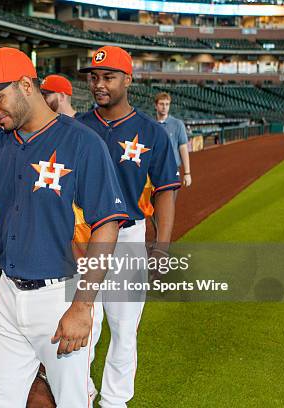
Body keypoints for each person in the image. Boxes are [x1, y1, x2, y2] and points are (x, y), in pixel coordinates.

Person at [0, 47, 129, 407]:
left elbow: (106, 227)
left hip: (61, 293)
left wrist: (83, 306)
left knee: (71, 401)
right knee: (2, 400)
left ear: (25, 85)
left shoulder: (82, 142)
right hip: (8, 293)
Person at [77, 46, 180, 408]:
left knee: (123, 327)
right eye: (94, 77)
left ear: (128, 80)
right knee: (83, 320)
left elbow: (166, 191)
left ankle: (115, 400)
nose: (99, 84)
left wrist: (162, 245)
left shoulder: (152, 132)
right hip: (84, 238)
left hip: (128, 236)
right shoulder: (76, 126)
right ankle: (81, 392)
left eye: (108, 77)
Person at [154, 92, 192, 195]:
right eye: (161, 104)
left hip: (172, 169)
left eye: (167, 104)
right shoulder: (150, 124)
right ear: (156, 105)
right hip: (153, 170)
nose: (164, 107)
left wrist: (187, 172)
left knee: (168, 205)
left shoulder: (177, 124)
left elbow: (183, 148)